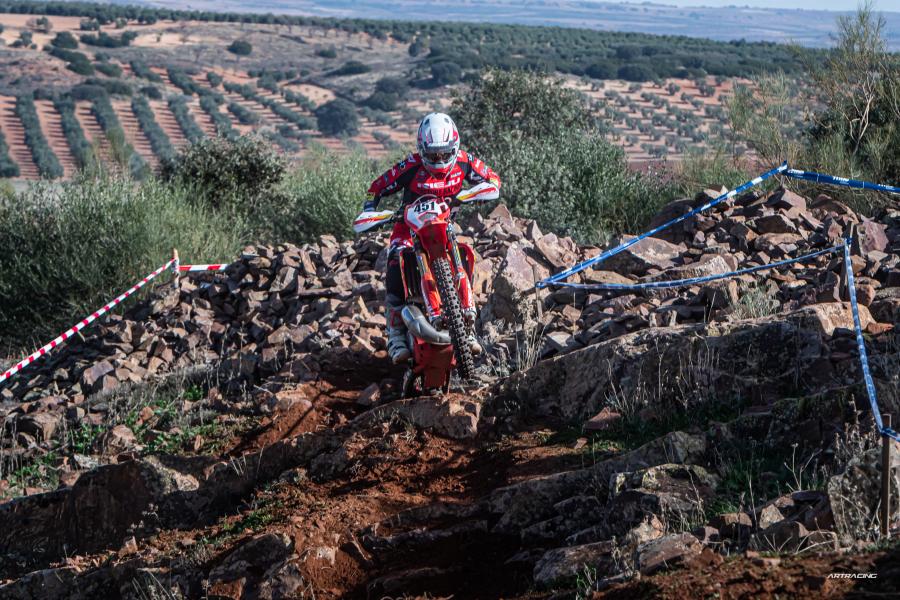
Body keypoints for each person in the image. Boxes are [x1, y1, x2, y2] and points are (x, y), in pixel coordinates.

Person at [363, 112, 501, 364]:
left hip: (443, 227)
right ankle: (395, 333)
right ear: (421, 149)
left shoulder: (465, 162)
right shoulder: (410, 166)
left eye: (444, 154)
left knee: (464, 254)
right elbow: (377, 186)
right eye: (432, 155)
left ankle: (467, 328)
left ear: (454, 147)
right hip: (408, 230)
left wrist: (473, 193)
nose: (439, 160)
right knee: (395, 260)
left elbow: (493, 179)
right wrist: (371, 210)